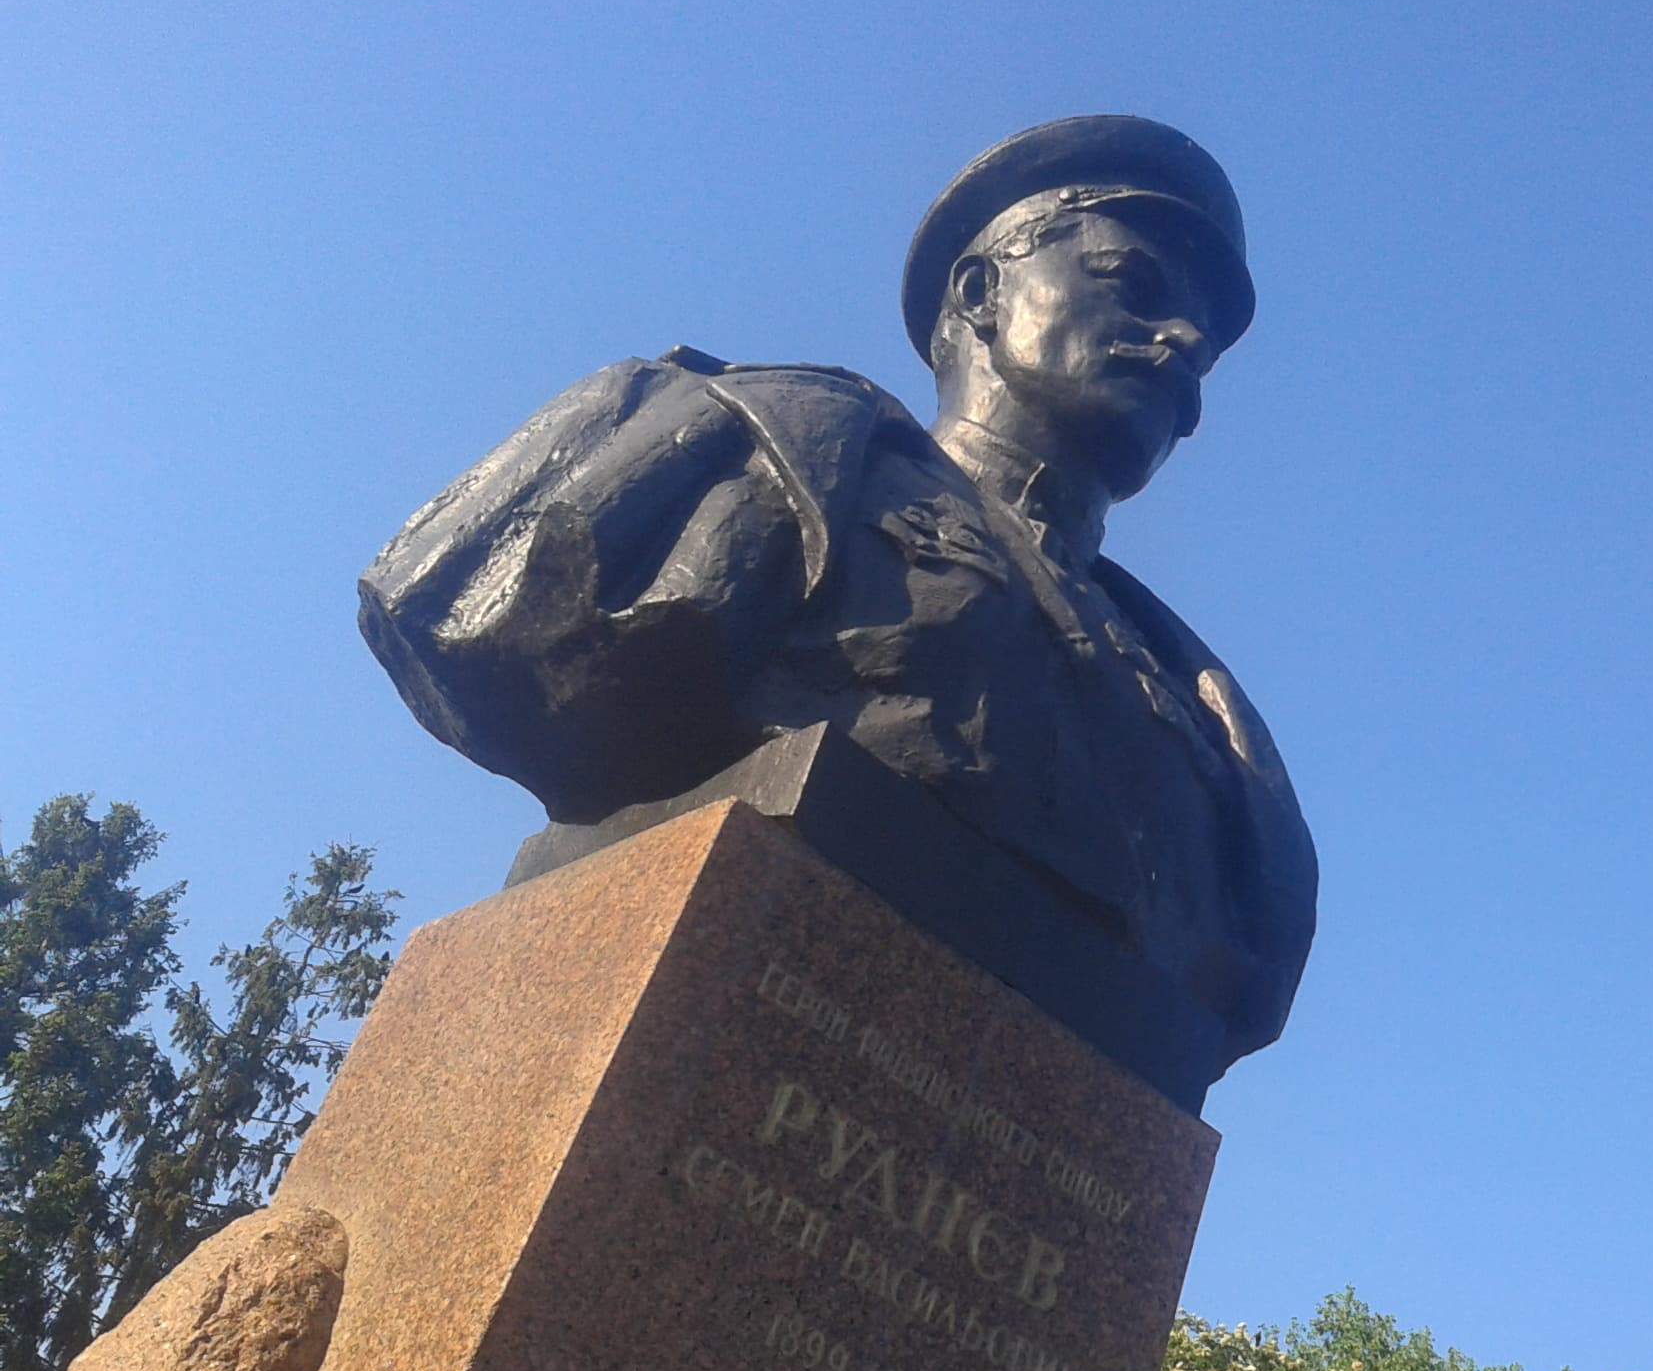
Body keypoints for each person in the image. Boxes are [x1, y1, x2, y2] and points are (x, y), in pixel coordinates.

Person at [359, 117, 1316, 1071]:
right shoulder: (751, 447)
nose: (1184, 340)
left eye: (1207, 340)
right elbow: (505, 614)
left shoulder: (1208, 720)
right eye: (1133, 284)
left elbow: (1227, 972)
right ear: (983, 293)